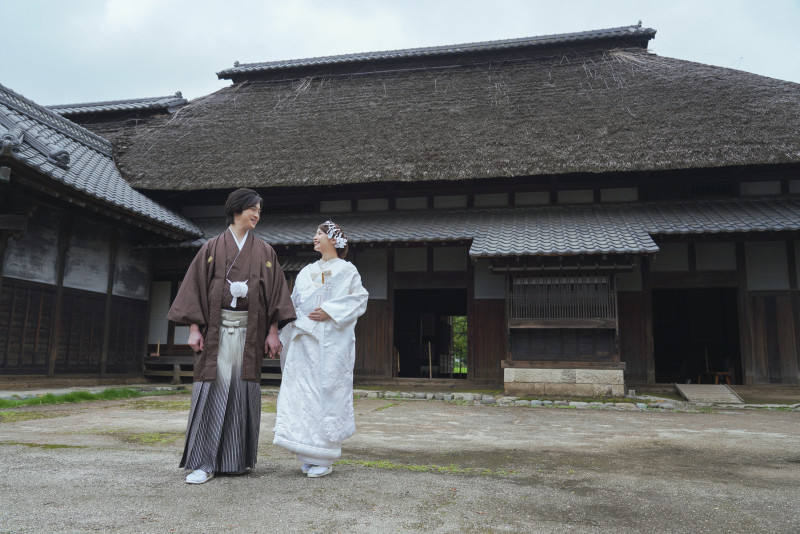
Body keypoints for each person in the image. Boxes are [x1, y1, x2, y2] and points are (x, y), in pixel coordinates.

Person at [168, 188, 295, 484]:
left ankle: (235, 460)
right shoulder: (211, 248)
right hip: (216, 333)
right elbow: (194, 288)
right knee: (212, 391)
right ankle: (204, 462)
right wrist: (194, 329)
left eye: (260, 211)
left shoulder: (264, 251)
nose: (257, 215)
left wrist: (273, 331)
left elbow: (275, 293)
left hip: (250, 334)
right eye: (253, 209)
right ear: (237, 210)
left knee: (241, 392)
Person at [273, 221, 369, 478]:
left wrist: (330, 311)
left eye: (320, 233)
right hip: (305, 340)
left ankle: (324, 457)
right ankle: (307, 453)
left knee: (326, 393)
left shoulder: (347, 271)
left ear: (334, 239)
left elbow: (359, 299)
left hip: (332, 344)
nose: (315, 237)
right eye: (315, 233)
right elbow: (294, 303)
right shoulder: (307, 271)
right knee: (304, 394)